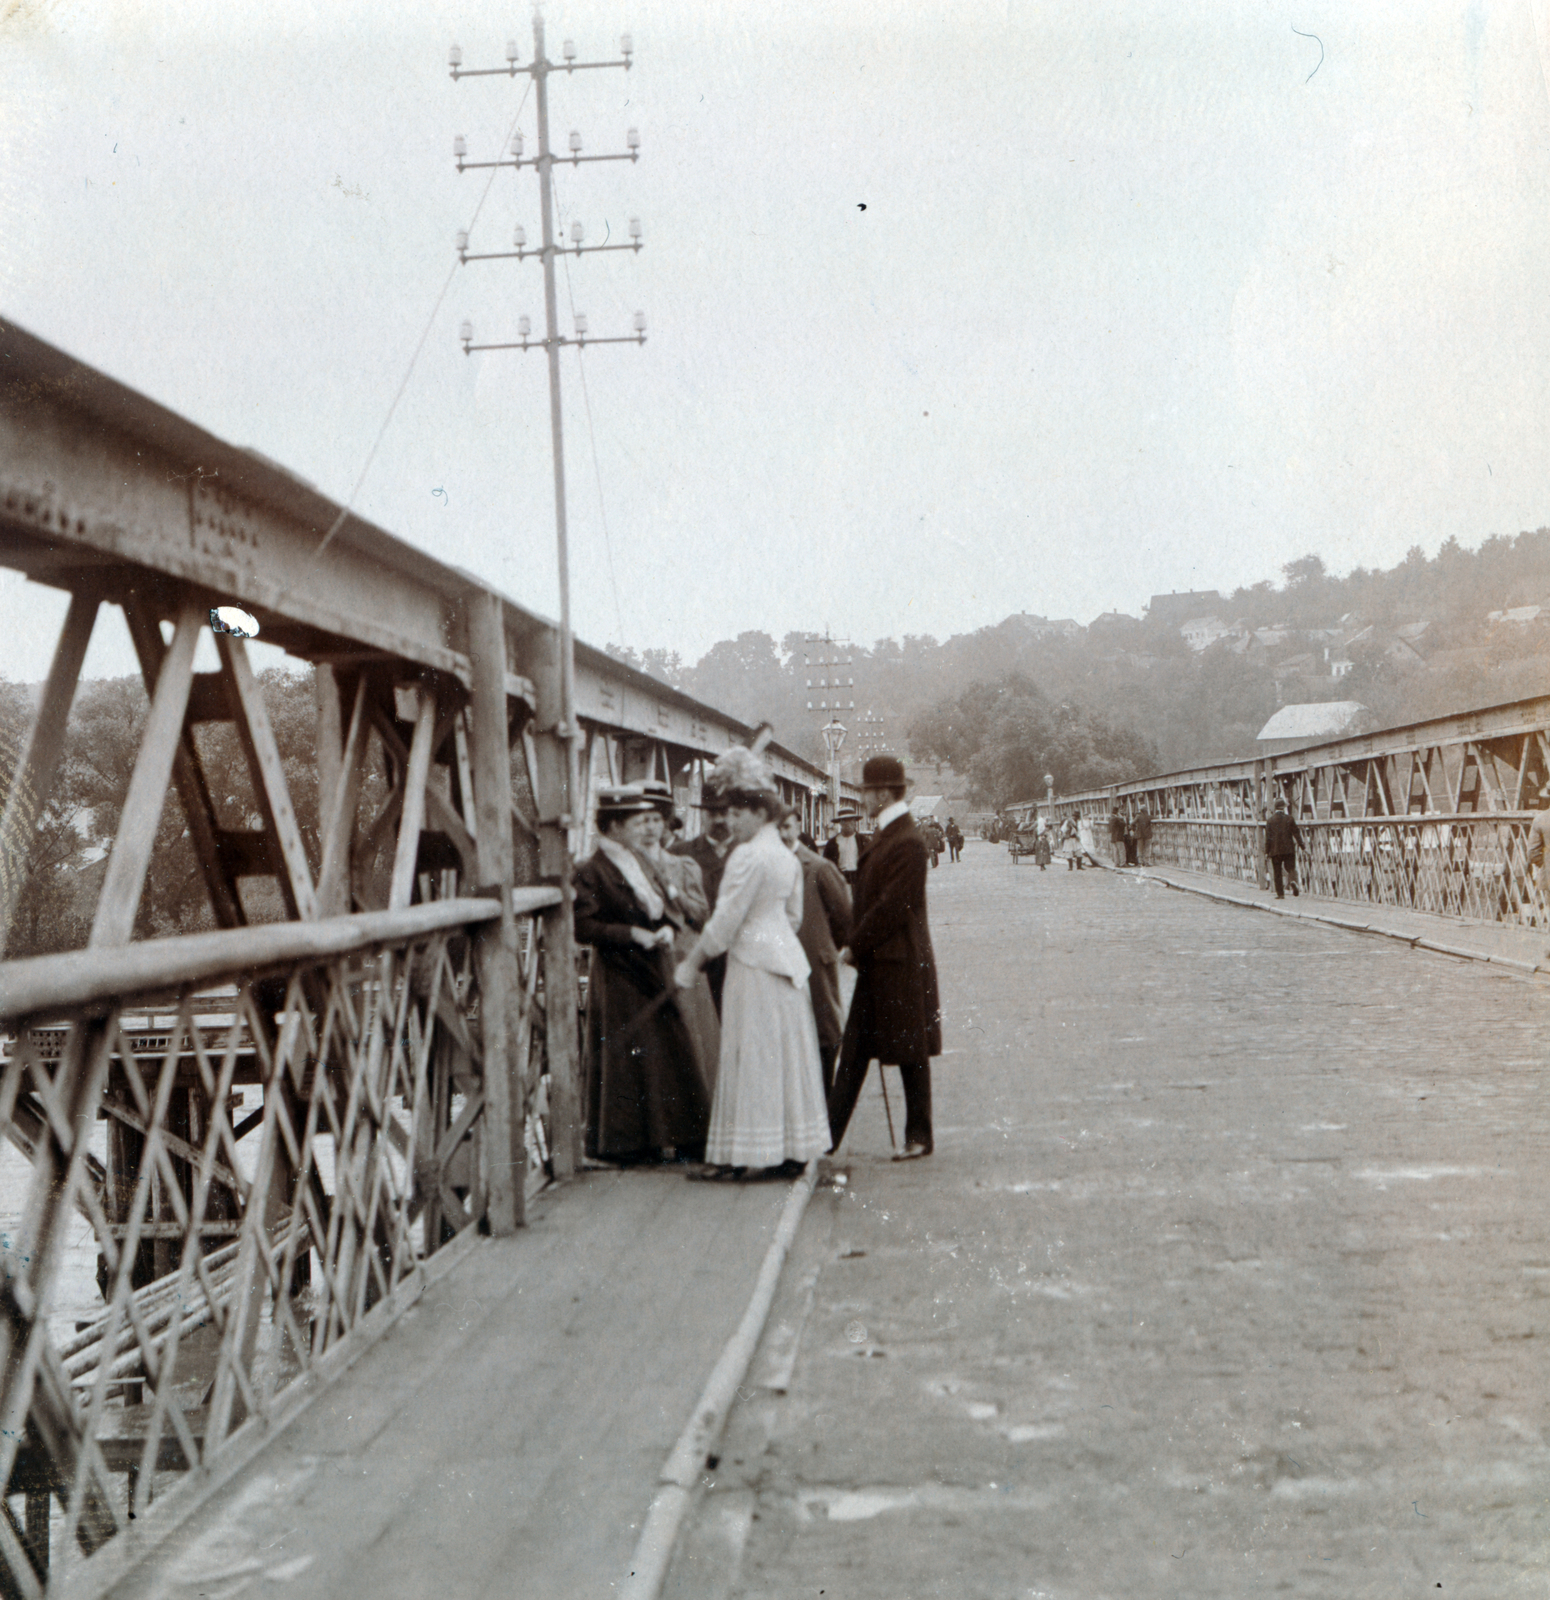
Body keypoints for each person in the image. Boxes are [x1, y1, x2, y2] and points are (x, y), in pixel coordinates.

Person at [675, 749, 831, 1179]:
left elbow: (724, 924)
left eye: (739, 814)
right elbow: (793, 917)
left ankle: (739, 1156)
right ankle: (791, 1150)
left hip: (752, 967)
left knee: (750, 1055)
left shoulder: (746, 856)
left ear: (759, 813)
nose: (731, 822)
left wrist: (691, 964)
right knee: (785, 1057)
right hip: (785, 965)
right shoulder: (783, 854)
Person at [574, 787, 710, 1164]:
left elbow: (662, 906)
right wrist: (631, 934)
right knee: (631, 1055)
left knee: (671, 1048)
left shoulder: (640, 861)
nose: (643, 830)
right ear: (614, 826)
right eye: (635, 823)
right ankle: (631, 1142)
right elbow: (583, 926)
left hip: (654, 962)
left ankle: (684, 1135)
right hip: (620, 971)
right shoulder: (591, 870)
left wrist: (667, 926)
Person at [827, 755, 942, 1162]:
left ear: (882, 793)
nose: (862, 797)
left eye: (865, 791)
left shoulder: (907, 841)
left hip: (901, 961)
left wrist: (854, 944)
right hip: (884, 961)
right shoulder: (888, 835)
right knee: (856, 1052)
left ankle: (919, 1135)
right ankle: (827, 1137)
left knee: (909, 1052)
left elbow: (893, 906)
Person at [635, 781, 721, 1097]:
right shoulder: (622, 868)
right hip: (642, 961)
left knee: (690, 1044)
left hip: (682, 959)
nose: (649, 827)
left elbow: (701, 914)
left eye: (656, 819)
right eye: (641, 820)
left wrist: (676, 895)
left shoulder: (683, 865)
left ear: (666, 822)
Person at [778, 808, 852, 1089]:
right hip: (778, 961)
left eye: (787, 826)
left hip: (814, 960)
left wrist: (825, 945)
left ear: (798, 826)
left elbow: (844, 915)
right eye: (776, 828)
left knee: (824, 1029)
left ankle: (825, 1093)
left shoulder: (818, 867)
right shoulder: (763, 864)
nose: (782, 834)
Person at [672, 786, 736, 1014]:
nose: (719, 820)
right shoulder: (680, 853)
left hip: (738, 955)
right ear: (702, 815)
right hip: (697, 955)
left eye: (724, 813)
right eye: (712, 814)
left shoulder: (748, 852)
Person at [1265, 797, 1301, 899]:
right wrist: (1303, 846)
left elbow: (1268, 838)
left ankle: (1280, 894)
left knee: (1277, 872)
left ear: (1275, 808)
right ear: (1284, 808)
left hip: (1275, 850)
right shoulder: (1289, 819)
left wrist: (1267, 852)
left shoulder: (1270, 821)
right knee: (1290, 868)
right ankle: (1292, 880)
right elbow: (1296, 833)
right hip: (1288, 849)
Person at [823, 807, 868, 888]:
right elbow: (827, 865)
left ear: (855, 822)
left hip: (859, 879)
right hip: (840, 880)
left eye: (850, 820)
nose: (847, 823)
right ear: (840, 823)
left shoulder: (863, 841)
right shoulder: (832, 843)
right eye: (844, 821)